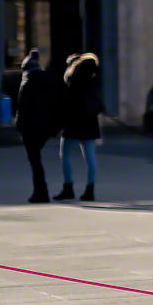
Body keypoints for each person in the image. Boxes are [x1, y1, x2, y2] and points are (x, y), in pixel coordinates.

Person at [12, 49, 61, 204]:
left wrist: (19, 127)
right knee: (36, 159)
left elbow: (22, 107)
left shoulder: (27, 83)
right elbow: (56, 106)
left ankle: (41, 192)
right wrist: (55, 128)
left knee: (34, 161)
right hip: (46, 127)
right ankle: (41, 191)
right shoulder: (49, 81)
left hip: (30, 128)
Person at [55, 53, 104, 201]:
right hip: (90, 123)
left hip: (73, 124)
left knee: (66, 156)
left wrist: (57, 125)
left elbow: (66, 104)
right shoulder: (95, 82)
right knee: (90, 158)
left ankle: (68, 188)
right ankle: (90, 190)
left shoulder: (74, 81)